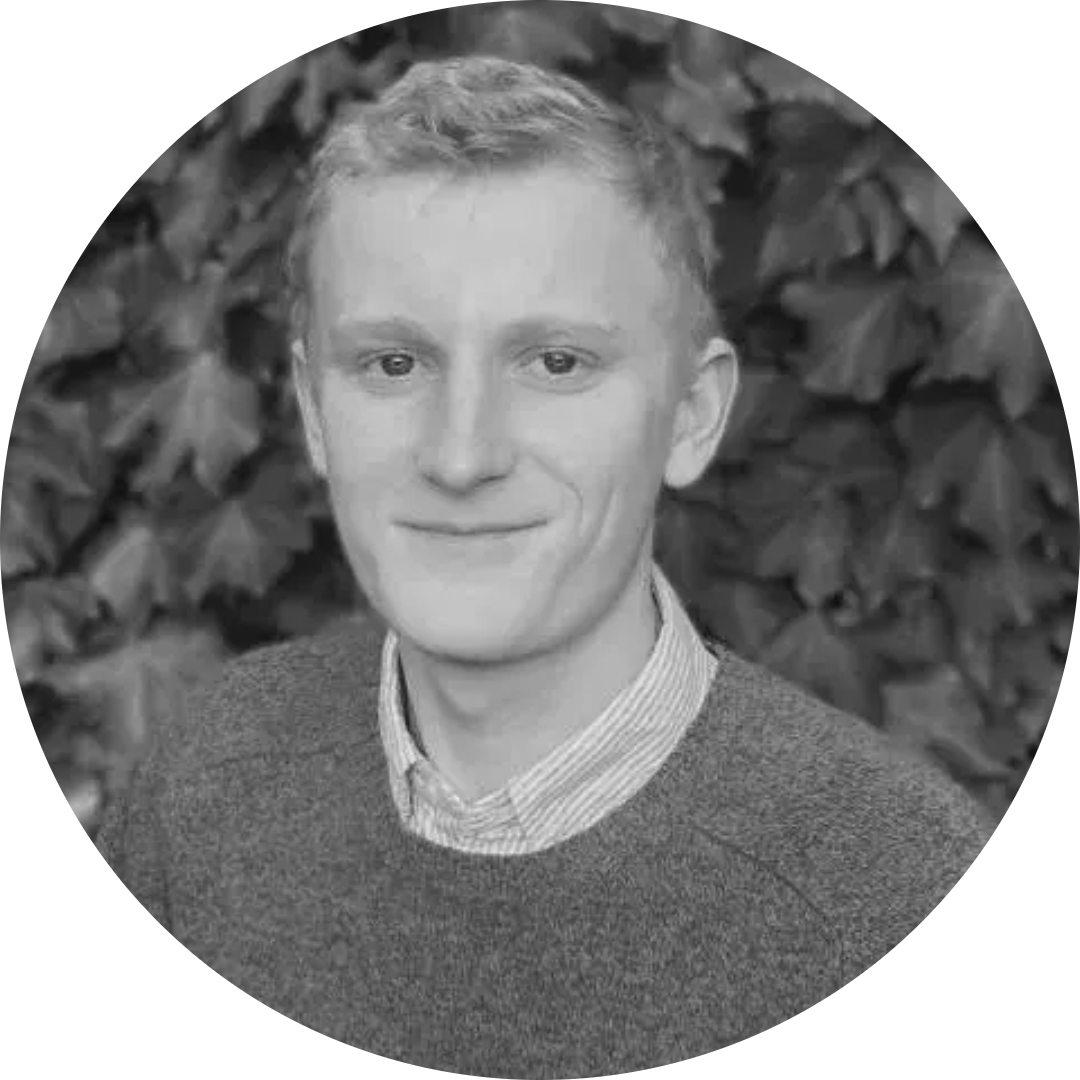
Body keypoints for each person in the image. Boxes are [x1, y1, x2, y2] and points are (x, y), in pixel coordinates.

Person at [95, 55, 992, 1073]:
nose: (461, 456)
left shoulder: (894, 886)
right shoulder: (208, 778)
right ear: (312, 410)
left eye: (557, 363)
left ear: (691, 416)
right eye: (394, 363)